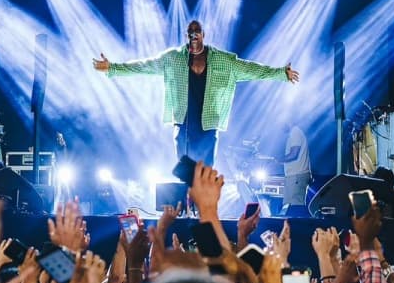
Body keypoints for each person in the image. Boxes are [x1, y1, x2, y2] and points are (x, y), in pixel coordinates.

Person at [93, 19, 299, 166]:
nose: (193, 35)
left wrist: (281, 73)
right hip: (183, 124)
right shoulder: (173, 58)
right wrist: (113, 68)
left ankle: (204, 214)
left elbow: (253, 70)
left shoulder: (222, 60)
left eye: (196, 31)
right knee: (185, 173)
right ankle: (185, 213)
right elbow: (144, 67)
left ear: (203, 35)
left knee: (205, 173)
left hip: (208, 126)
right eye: (189, 32)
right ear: (186, 35)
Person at [282, 124, 312, 211]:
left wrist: (277, 161)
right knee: (289, 206)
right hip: (295, 175)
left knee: (294, 207)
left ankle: (295, 225)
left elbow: (294, 154)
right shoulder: (295, 133)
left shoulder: (295, 132)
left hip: (296, 175)